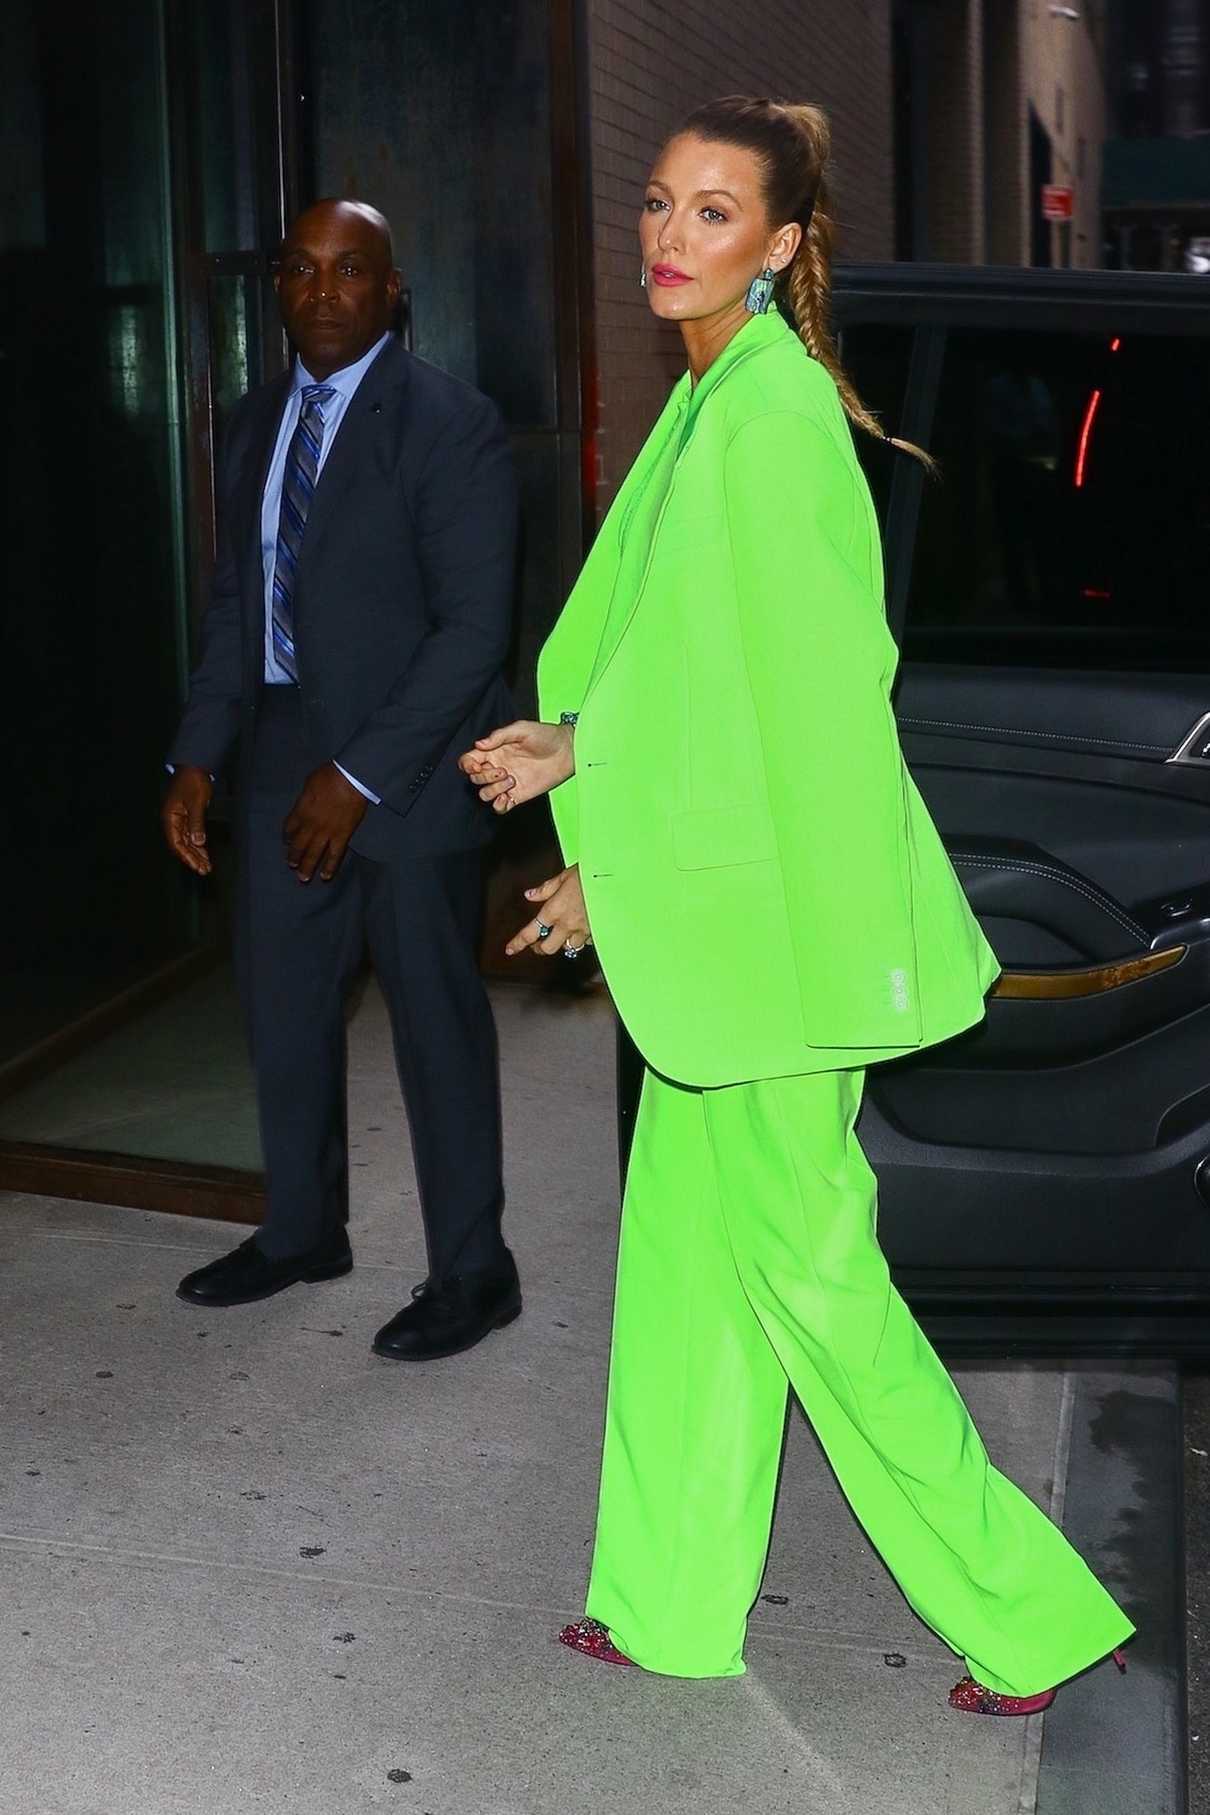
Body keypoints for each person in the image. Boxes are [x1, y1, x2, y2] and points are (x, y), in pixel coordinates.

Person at [460, 99, 1133, 1713]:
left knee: (824, 1292)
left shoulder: (771, 419)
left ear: (782, 243)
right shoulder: (711, 404)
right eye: (659, 206)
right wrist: (590, 790)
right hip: (720, 944)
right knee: (692, 1277)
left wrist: (597, 814)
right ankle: (675, 1605)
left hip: (771, 952)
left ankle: (1031, 1615)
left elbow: (816, 708)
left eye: (714, 214)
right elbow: (691, 674)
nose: (672, 239)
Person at [163, 199, 522, 1363]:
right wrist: (198, 753)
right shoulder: (260, 421)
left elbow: (473, 633)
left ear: (391, 292)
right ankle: (302, 1232)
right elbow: (236, 606)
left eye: (349, 271)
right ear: (278, 287)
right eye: (302, 271)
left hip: (405, 782)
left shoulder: (449, 424)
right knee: (285, 1015)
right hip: (273, 761)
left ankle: (476, 1272)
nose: (323, 292)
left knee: (434, 1030)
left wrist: (359, 775)